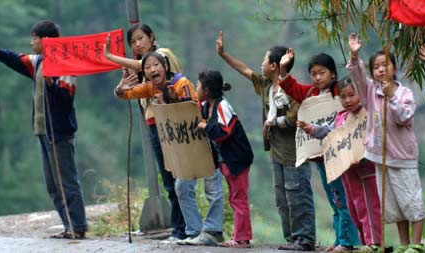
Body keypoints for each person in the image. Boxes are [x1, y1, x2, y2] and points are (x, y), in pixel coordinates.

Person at [0, 20, 87, 239]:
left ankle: (78, 226)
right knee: (52, 185)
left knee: (67, 182)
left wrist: (52, 84)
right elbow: (19, 59)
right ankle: (68, 225)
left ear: (46, 40)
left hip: (59, 132)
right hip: (42, 131)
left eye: (34, 38)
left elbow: (66, 99)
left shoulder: (65, 63)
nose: (31, 43)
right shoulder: (40, 61)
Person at [216, 31, 316, 251]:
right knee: (282, 199)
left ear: (274, 66)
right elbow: (243, 69)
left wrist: (274, 123)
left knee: (298, 195)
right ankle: (292, 240)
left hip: (295, 152)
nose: (260, 63)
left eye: (264, 59)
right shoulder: (265, 85)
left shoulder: (290, 88)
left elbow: (297, 115)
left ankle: (305, 239)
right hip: (277, 152)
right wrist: (223, 54)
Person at [114, 51, 224, 246]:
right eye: (147, 68)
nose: (152, 70)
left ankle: (214, 231)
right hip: (181, 145)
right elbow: (126, 95)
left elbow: (191, 108)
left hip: (200, 139)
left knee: (212, 186)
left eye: (155, 65)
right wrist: (119, 89)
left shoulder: (181, 83)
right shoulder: (151, 88)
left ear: (165, 66)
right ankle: (195, 231)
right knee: (181, 187)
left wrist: (170, 101)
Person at [348, 33, 425, 253]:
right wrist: (355, 56)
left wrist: (391, 95)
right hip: (380, 156)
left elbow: (404, 117)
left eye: (386, 65)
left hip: (403, 157)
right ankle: (404, 245)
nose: (381, 69)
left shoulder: (404, 93)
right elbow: (357, 77)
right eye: (376, 67)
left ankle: (417, 244)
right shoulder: (370, 90)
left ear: (394, 68)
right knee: (393, 205)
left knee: (411, 201)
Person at [106, 23, 186, 241]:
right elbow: (125, 93)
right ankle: (180, 227)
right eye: (133, 41)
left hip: (172, 120)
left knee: (179, 177)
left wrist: (111, 57)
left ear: (152, 37)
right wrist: (122, 85)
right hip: (153, 123)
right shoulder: (142, 70)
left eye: (141, 38)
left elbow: (147, 64)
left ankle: (184, 228)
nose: (137, 44)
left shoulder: (161, 56)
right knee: (170, 180)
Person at [278, 49, 360, 253]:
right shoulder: (310, 93)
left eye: (321, 72)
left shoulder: (339, 92)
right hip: (320, 156)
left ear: (332, 73)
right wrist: (283, 68)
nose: (316, 77)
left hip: (340, 154)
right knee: (334, 198)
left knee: (342, 197)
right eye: (313, 73)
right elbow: (292, 88)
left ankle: (348, 242)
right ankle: (339, 238)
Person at [298, 76, 382, 252]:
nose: (348, 100)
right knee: (354, 207)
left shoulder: (367, 113)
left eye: (352, 95)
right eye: (343, 97)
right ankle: (362, 242)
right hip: (347, 171)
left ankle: (373, 243)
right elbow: (329, 131)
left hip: (365, 170)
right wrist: (312, 129)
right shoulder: (341, 117)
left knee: (369, 205)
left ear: (361, 94)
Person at [195, 70, 254, 248]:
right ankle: (240, 236)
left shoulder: (222, 106)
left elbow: (223, 133)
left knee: (239, 198)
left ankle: (242, 239)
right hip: (226, 159)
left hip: (236, 158)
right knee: (235, 198)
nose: (196, 88)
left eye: (198, 86)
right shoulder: (207, 105)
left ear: (206, 90)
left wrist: (205, 127)